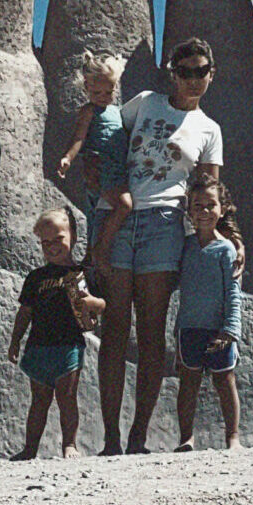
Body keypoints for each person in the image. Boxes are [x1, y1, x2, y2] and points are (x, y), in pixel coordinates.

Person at [95, 37, 224, 456]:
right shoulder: (146, 102)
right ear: (173, 73)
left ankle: (138, 436)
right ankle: (110, 438)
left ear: (211, 74)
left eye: (200, 71)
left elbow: (208, 190)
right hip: (118, 217)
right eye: (184, 72)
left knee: (152, 331)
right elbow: (109, 138)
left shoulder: (209, 130)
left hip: (164, 224)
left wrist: (229, 238)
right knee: (115, 327)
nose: (192, 79)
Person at [6, 209, 104, 460]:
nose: (52, 247)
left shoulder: (83, 274)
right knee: (39, 401)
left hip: (69, 346)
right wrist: (15, 340)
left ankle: (69, 444)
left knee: (67, 398)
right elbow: (25, 312)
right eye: (45, 242)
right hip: (38, 346)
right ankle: (30, 448)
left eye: (58, 239)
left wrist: (91, 302)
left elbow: (103, 304)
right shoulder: (36, 277)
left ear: (73, 236)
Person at [174, 175, 244, 452]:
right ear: (189, 211)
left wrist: (231, 330)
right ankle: (186, 438)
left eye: (210, 205)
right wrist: (177, 329)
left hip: (219, 329)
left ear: (222, 209)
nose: (204, 211)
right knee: (188, 384)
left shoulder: (226, 250)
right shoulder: (185, 247)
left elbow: (233, 292)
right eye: (197, 205)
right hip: (189, 327)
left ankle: (233, 437)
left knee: (225, 381)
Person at [53, 54, 134, 269]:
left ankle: (91, 255)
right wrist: (68, 158)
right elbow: (79, 137)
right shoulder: (89, 111)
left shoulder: (117, 112)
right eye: (97, 93)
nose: (103, 97)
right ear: (86, 88)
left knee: (96, 215)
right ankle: (102, 247)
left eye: (109, 92)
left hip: (118, 169)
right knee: (124, 205)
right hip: (101, 168)